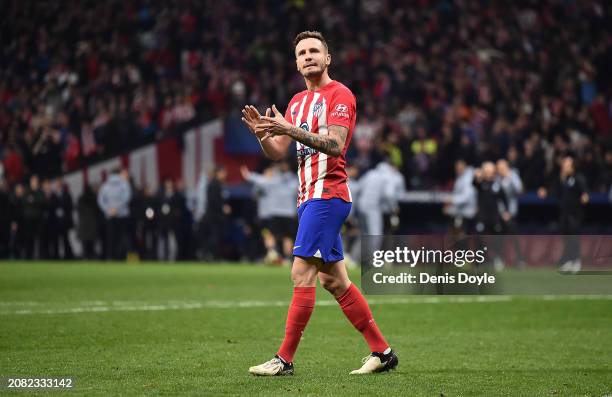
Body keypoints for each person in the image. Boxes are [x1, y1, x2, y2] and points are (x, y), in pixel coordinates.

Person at [242, 31, 397, 376]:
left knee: (301, 272)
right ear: (296, 63)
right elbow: (281, 153)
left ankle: (284, 359)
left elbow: (336, 145)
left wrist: (289, 129)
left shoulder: (340, 94)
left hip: (328, 195)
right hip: (307, 198)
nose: (308, 56)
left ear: (328, 58)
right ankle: (383, 352)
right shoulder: (296, 103)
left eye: (315, 51)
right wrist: (265, 137)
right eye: (302, 53)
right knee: (335, 282)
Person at [538, 155, 589, 273]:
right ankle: (568, 261)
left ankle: (576, 261)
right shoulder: (563, 179)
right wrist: (546, 191)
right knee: (566, 238)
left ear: (572, 166)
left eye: (566, 164)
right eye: (564, 164)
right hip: (564, 213)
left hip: (575, 214)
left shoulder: (578, 178)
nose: (564, 167)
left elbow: (585, 192)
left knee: (573, 238)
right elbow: (555, 192)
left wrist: (584, 196)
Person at [241, 162, 298, 264]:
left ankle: (273, 254)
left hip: (274, 214)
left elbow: (260, 181)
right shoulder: (294, 180)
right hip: (288, 214)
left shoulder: (272, 181)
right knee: (287, 237)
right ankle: (285, 258)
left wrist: (249, 175)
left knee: (271, 235)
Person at [97, 168, 132, 260]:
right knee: (123, 236)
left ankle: (110, 257)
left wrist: (108, 209)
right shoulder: (124, 184)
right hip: (122, 215)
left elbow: (100, 200)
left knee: (111, 238)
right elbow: (127, 198)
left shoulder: (105, 185)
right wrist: (117, 208)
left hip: (109, 215)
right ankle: (124, 256)